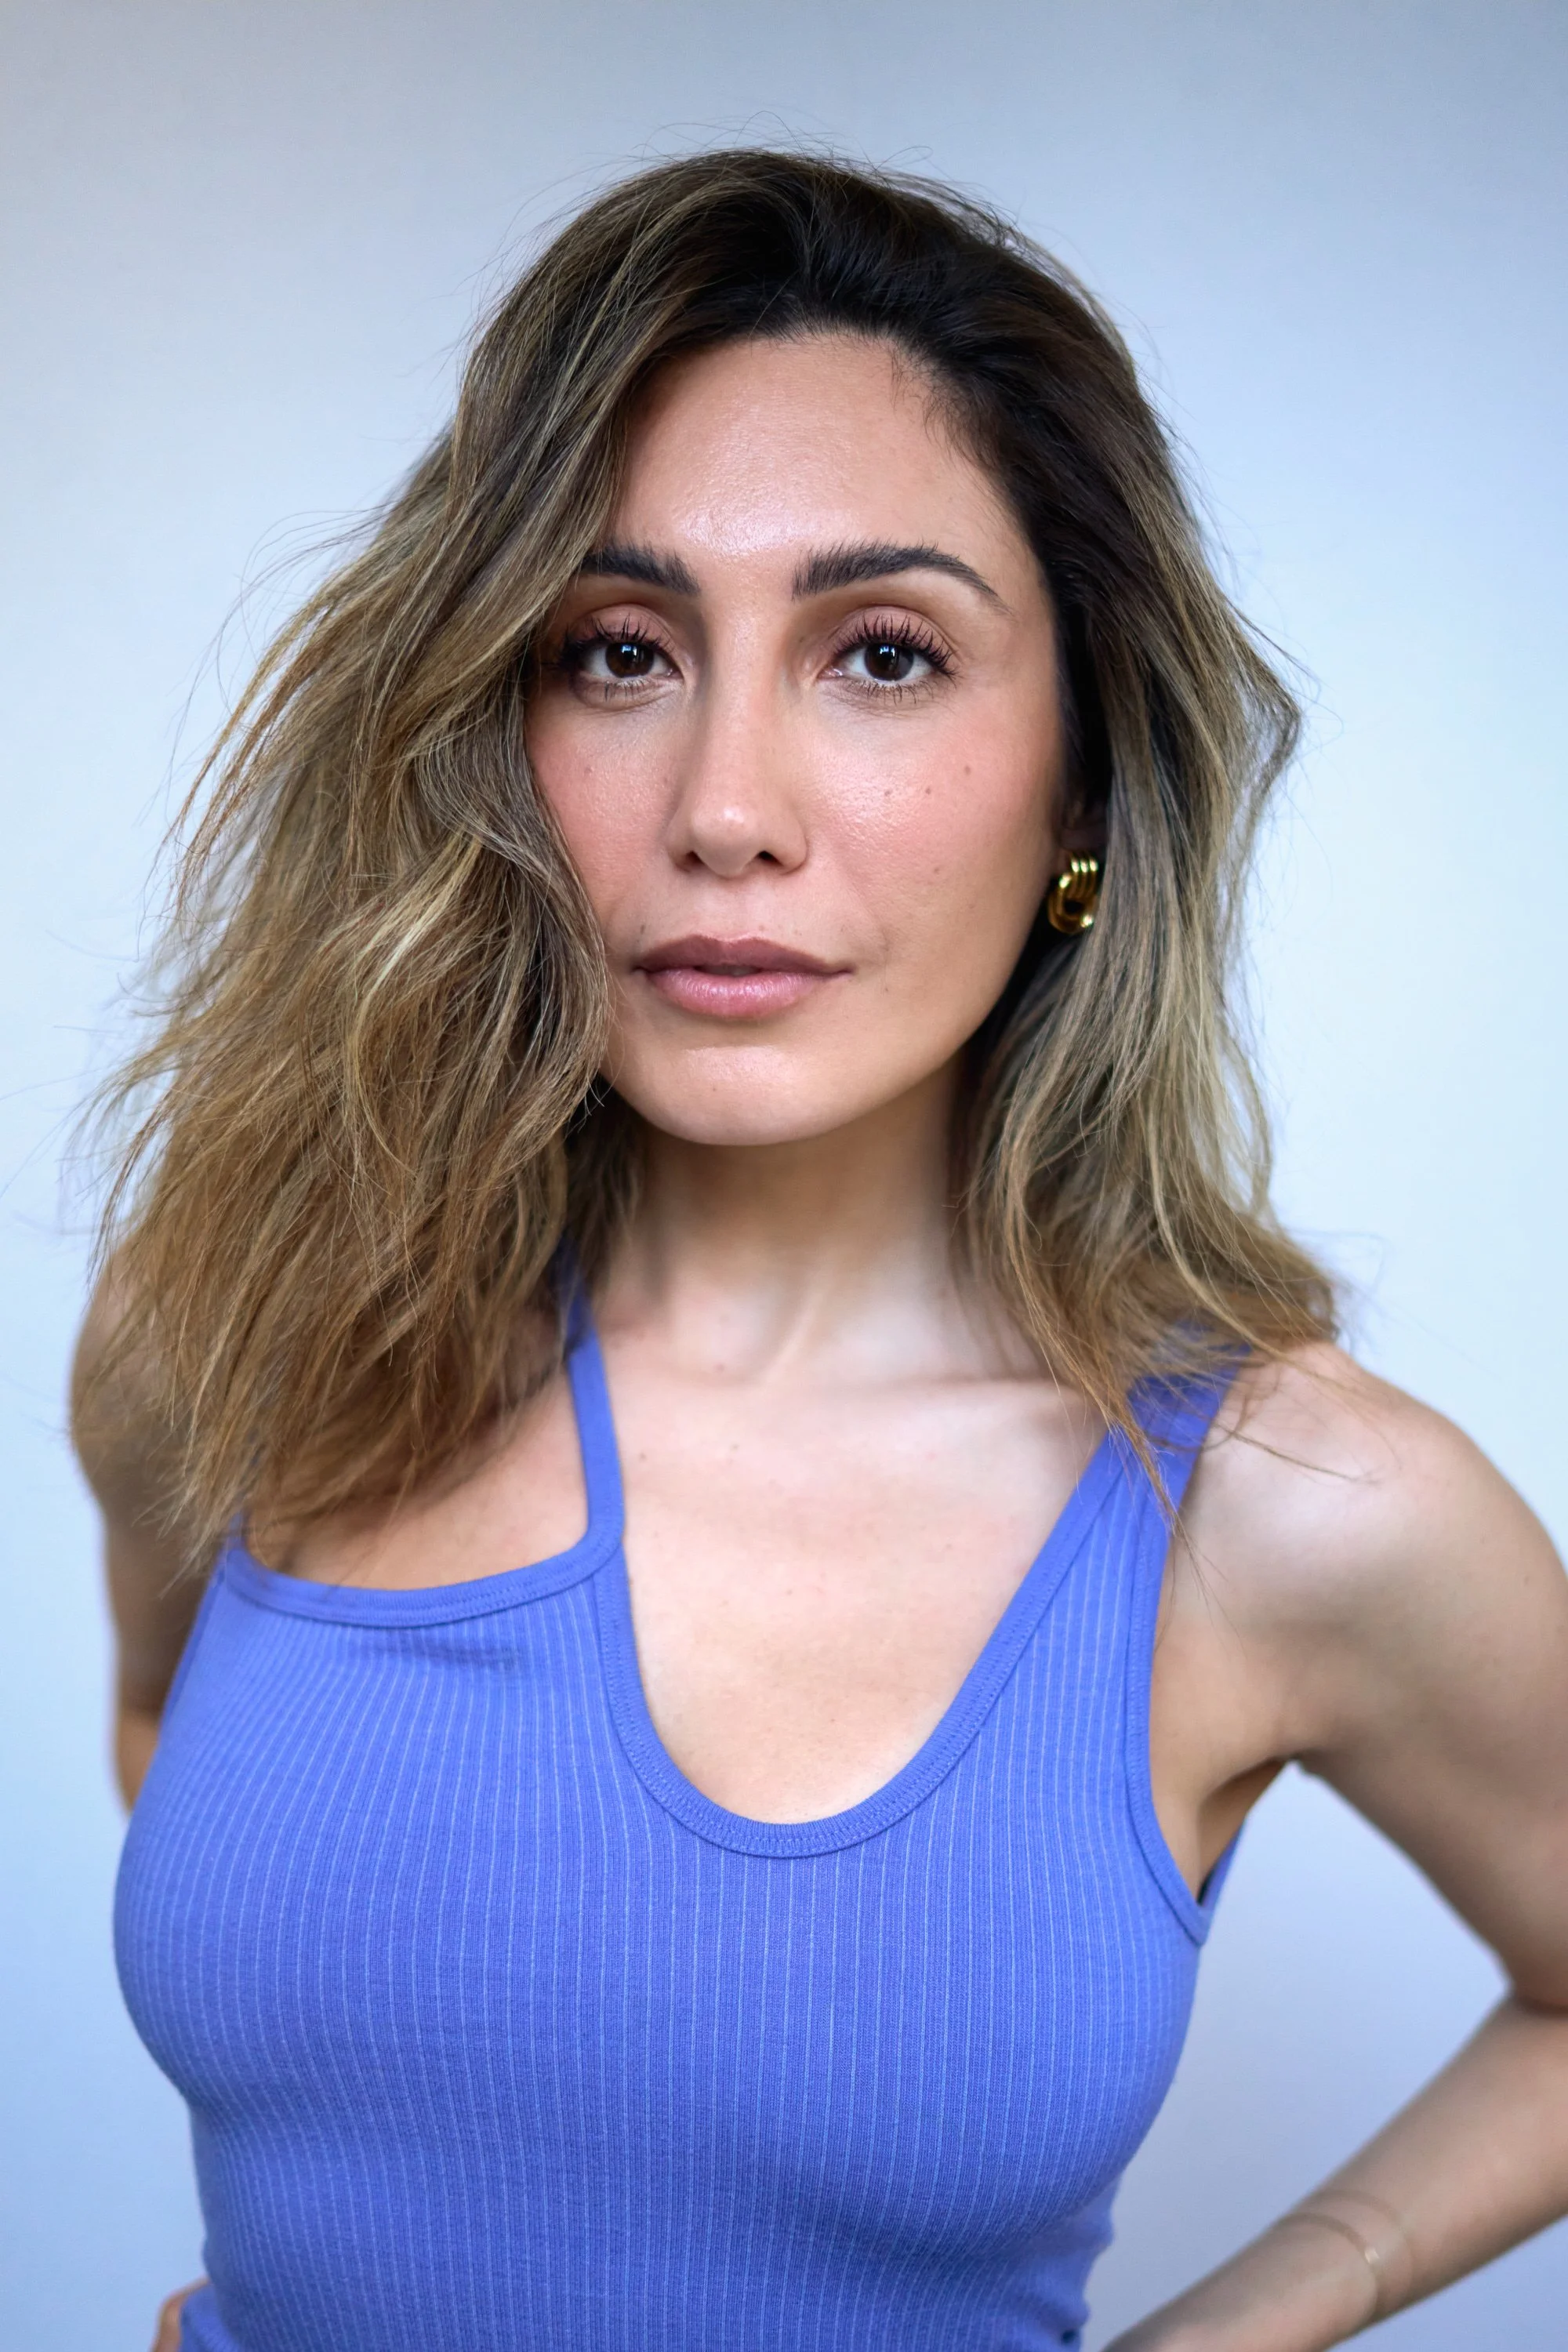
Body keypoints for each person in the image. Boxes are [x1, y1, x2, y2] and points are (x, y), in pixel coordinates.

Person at [73, 150, 1568, 2352]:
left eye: (883, 655)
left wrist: (1246, 2323)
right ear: (491, 730)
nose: (726, 809)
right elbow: (167, 1727)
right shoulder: (240, 1327)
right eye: (617, 653)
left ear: (1086, 785)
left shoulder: (1287, 1512)